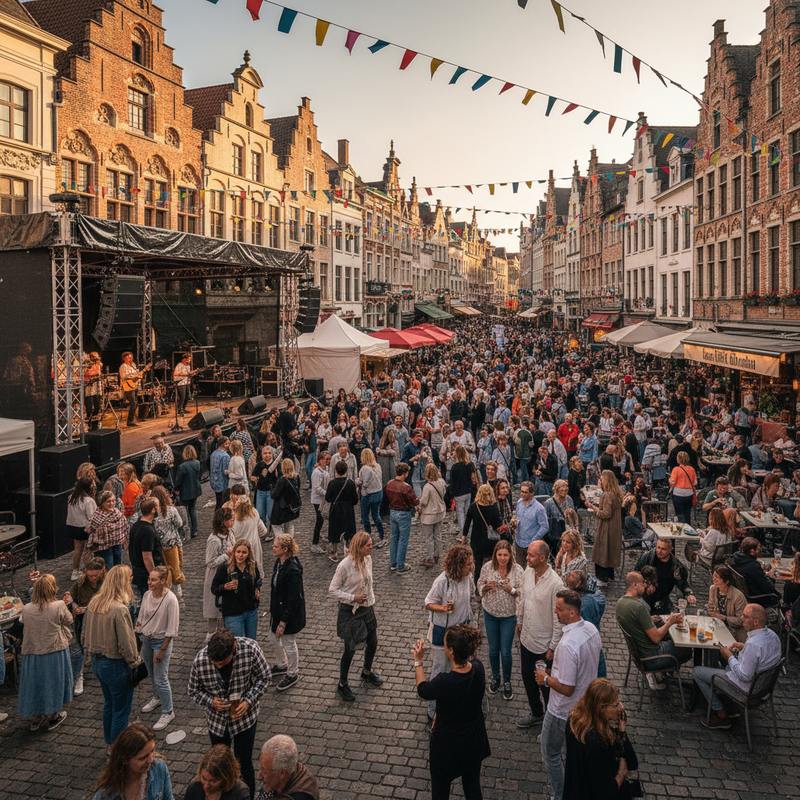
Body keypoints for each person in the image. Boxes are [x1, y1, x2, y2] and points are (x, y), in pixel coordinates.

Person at [188, 629, 271, 800]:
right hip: (217, 724)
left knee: (244, 764)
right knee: (219, 767)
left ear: (233, 648)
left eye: (223, 663)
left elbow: (265, 678)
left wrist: (248, 700)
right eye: (215, 663)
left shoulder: (251, 650)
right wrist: (211, 701)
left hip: (245, 721)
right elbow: (193, 690)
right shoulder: (200, 660)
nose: (219, 666)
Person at [537, 589, 602, 800]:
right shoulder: (591, 629)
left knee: (550, 753)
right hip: (584, 707)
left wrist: (545, 679)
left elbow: (566, 688)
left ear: (571, 613)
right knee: (574, 754)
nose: (555, 612)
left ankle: (561, 795)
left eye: (559, 609)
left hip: (562, 711)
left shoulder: (565, 645)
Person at [412, 625, 490, 800]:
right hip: (473, 740)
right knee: (472, 788)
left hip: (448, 746)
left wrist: (418, 661)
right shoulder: (478, 668)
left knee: (440, 792)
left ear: (451, 651)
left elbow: (423, 690)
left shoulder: (445, 682)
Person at [692, 603, 782, 730]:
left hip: (747, 692)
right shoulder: (773, 636)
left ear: (756, 621)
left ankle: (721, 715)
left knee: (696, 672)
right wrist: (743, 647)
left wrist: (729, 656)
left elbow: (744, 676)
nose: (742, 619)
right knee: (726, 662)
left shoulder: (753, 644)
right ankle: (730, 706)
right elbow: (762, 655)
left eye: (745, 617)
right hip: (763, 689)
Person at [83, 565, 142, 749]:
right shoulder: (119, 610)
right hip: (116, 665)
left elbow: (85, 633)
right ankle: (116, 750)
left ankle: (110, 744)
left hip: (98, 663)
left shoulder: (94, 602)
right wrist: (136, 663)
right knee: (121, 710)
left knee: (109, 704)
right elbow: (126, 644)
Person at [328, 530, 383, 702]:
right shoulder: (344, 565)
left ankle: (366, 672)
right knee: (350, 650)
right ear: (359, 547)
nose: (371, 547)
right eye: (368, 545)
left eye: (371, 544)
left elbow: (369, 584)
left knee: (373, 642)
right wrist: (353, 598)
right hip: (349, 612)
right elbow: (333, 590)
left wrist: (370, 602)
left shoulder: (368, 559)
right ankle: (342, 683)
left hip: (366, 608)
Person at [515, 540, 564, 729]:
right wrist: (519, 620)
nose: (527, 558)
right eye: (527, 554)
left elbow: (558, 619)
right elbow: (522, 598)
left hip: (544, 647)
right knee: (528, 680)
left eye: (531, 555)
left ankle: (551, 724)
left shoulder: (556, 584)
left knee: (546, 686)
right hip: (526, 639)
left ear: (542, 558)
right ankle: (536, 713)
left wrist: (552, 647)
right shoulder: (528, 573)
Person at [424, 544, 476, 720]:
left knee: (461, 667)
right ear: (458, 565)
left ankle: (458, 701)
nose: (472, 567)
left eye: (471, 563)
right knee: (440, 670)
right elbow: (428, 603)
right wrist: (442, 607)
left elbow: (472, 597)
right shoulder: (441, 581)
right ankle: (433, 710)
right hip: (442, 631)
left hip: (461, 630)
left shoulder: (468, 578)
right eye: (468, 564)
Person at [563, 678, 637, 800]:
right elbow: (607, 791)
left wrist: (621, 730)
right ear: (601, 708)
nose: (620, 708)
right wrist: (621, 773)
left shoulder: (573, 721)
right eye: (615, 704)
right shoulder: (596, 744)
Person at [615, 571, 691, 688]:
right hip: (652, 657)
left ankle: (663, 674)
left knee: (670, 639)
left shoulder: (620, 603)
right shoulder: (640, 608)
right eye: (642, 583)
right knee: (687, 650)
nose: (645, 585)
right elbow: (656, 638)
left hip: (640, 654)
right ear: (634, 585)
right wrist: (670, 622)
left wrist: (650, 620)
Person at [17, 574, 73, 732]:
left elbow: (22, 621)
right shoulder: (59, 605)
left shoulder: (27, 608)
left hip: (33, 652)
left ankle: (36, 716)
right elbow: (68, 620)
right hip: (54, 650)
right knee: (54, 682)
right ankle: (53, 715)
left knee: (36, 683)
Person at [477, 539, 524, 700]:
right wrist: (485, 587)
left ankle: (508, 681)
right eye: (499, 555)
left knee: (505, 651)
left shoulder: (517, 570)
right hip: (490, 613)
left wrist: (510, 589)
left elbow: (522, 593)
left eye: (505, 555)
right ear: (495, 555)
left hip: (509, 616)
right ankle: (496, 677)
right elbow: (479, 587)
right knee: (492, 649)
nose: (502, 558)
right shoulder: (487, 568)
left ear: (510, 555)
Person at [135, 566, 179, 731]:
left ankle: (168, 711)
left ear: (162, 580)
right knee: (150, 672)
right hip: (146, 639)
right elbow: (141, 617)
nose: (149, 582)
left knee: (161, 677)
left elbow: (172, 629)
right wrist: (139, 637)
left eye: (153, 579)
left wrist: (162, 650)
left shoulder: (170, 599)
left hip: (160, 641)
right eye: (149, 579)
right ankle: (156, 697)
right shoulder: (147, 595)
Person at [92, 722, 173, 800]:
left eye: (152, 751)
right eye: (143, 758)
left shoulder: (159, 768)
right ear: (125, 760)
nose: (150, 760)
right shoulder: (108, 791)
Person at [268, 534, 306, 692]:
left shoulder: (292, 570)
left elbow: (293, 599)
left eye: (276, 546)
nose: (273, 548)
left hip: (289, 614)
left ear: (285, 549)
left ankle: (292, 673)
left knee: (289, 643)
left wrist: (283, 622)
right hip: (278, 610)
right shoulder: (280, 562)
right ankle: (282, 664)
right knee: (273, 637)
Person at [212, 539, 262, 640]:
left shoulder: (252, 566)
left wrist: (257, 589)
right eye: (238, 552)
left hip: (251, 611)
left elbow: (257, 581)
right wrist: (225, 587)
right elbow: (214, 588)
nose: (240, 555)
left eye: (244, 552)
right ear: (234, 552)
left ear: (248, 554)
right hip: (233, 613)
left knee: (251, 642)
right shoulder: (225, 568)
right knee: (238, 644)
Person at [634, 538, 696, 614]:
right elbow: (635, 575)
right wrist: (645, 585)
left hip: (661, 600)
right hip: (643, 598)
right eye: (658, 547)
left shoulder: (675, 566)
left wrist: (689, 594)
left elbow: (682, 582)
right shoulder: (647, 557)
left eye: (663, 549)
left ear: (670, 549)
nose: (659, 551)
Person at [586, 470, 624, 587]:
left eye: (601, 479)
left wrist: (592, 507)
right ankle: (608, 575)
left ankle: (602, 578)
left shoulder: (607, 495)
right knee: (609, 550)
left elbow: (606, 513)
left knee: (603, 550)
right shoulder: (615, 494)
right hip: (614, 527)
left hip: (607, 528)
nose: (600, 481)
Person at [257, 735, 320, 800]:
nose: (259, 777)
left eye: (264, 771)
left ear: (282, 773)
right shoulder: (294, 769)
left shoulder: (300, 796)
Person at [150, 485, 186, 598]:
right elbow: (179, 523)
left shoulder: (153, 512)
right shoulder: (171, 510)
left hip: (158, 544)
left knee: (162, 567)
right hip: (172, 543)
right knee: (175, 567)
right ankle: (177, 589)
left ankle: (165, 588)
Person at [462, 484, 502, 585]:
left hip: (476, 539)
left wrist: (464, 536)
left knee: (478, 564)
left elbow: (467, 522)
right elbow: (498, 523)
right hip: (490, 540)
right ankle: (491, 582)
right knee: (491, 563)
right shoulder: (493, 507)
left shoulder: (473, 506)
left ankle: (477, 586)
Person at [385, 462, 420, 574]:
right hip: (403, 513)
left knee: (394, 537)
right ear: (405, 473)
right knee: (403, 540)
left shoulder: (389, 483)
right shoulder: (406, 487)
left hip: (393, 512)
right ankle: (400, 565)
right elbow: (414, 502)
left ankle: (393, 562)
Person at [185, 744, 250, 800]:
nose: (206, 786)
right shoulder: (194, 788)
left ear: (225, 777)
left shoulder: (239, 794)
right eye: (204, 778)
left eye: (213, 781)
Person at [324, 459, 359, 562]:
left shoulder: (332, 483)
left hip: (336, 510)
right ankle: (348, 552)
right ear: (346, 470)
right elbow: (355, 500)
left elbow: (327, 498)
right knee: (349, 531)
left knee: (334, 531)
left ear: (336, 471)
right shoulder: (350, 483)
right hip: (348, 509)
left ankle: (334, 553)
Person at [730, 537, 781, 608]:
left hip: (745, 591)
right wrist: (770, 575)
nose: (759, 551)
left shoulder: (737, 559)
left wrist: (761, 571)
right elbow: (768, 587)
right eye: (758, 549)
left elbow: (751, 573)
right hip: (757, 596)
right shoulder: (753, 566)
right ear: (752, 551)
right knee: (778, 595)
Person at [129, 498, 163, 600]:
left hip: (137, 569)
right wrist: (153, 576)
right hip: (144, 572)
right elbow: (147, 555)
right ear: (154, 509)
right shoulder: (147, 530)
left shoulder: (136, 525)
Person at [86, 490, 128, 570]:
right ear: (102, 502)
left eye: (113, 501)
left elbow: (123, 527)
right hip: (103, 547)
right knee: (108, 567)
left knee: (118, 567)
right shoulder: (97, 515)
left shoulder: (117, 513)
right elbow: (91, 529)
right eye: (108, 501)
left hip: (117, 543)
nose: (111, 503)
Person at [66, 476, 97, 581]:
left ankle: (75, 571)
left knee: (77, 549)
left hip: (72, 526)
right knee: (89, 551)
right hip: (84, 528)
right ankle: (88, 571)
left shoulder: (71, 497)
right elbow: (92, 517)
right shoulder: (89, 501)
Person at [511, 481, 548, 566]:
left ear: (532, 493)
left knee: (531, 569)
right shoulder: (519, 502)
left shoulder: (539, 508)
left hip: (531, 544)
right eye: (521, 492)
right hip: (518, 541)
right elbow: (518, 517)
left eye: (525, 492)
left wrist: (534, 539)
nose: (522, 494)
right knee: (520, 568)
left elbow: (545, 526)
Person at [708, 564, 748, 643]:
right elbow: (711, 607)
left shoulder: (738, 596)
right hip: (718, 627)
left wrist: (725, 618)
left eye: (717, 577)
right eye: (714, 576)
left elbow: (742, 620)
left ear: (726, 581)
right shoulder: (713, 589)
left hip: (735, 631)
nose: (714, 579)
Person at [419, 463, 447, 567]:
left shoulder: (427, 486)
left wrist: (419, 502)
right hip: (439, 512)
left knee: (429, 537)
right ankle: (437, 554)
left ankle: (430, 557)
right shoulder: (440, 483)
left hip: (429, 514)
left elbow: (424, 501)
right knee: (437, 535)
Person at [231, 494, 267, 571]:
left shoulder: (233, 518)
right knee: (254, 569)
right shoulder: (254, 513)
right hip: (253, 546)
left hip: (238, 549)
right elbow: (263, 531)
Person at [175, 444, 203, 539]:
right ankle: (194, 530)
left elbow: (178, 481)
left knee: (185, 511)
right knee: (193, 508)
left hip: (185, 490)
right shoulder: (197, 463)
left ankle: (185, 531)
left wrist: (176, 489)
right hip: (195, 489)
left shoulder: (182, 466)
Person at [357, 448, 384, 543]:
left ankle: (368, 535)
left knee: (365, 516)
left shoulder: (365, 468)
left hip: (369, 494)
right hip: (378, 492)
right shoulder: (377, 466)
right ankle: (381, 535)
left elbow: (364, 482)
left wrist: (356, 482)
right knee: (376, 515)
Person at [270, 458, 302, 537]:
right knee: (289, 526)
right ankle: (289, 543)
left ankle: (282, 543)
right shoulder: (296, 478)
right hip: (291, 506)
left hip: (281, 508)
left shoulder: (282, 480)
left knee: (276, 526)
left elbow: (274, 495)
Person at [449, 445, 477, 534]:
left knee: (460, 515)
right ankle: (468, 532)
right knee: (466, 513)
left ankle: (463, 534)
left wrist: (451, 494)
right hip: (468, 492)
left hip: (459, 494)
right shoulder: (469, 465)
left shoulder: (455, 467)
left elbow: (452, 482)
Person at [544, 479, 575, 555]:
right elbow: (545, 521)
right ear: (556, 490)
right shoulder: (549, 503)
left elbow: (573, 516)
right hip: (554, 536)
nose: (564, 489)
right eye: (562, 487)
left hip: (567, 533)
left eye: (566, 487)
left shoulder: (569, 499)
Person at [309, 451, 331, 554]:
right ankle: (315, 544)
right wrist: (327, 494)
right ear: (320, 460)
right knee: (319, 520)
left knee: (321, 520)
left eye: (328, 459)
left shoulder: (326, 469)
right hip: (318, 499)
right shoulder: (316, 472)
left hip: (323, 499)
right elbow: (316, 487)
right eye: (325, 459)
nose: (327, 461)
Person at [669, 450, 697, 524]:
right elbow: (694, 482)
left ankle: (681, 527)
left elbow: (673, 482)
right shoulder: (692, 469)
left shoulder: (676, 469)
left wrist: (669, 479)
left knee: (679, 513)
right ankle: (688, 526)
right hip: (689, 493)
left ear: (678, 459)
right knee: (687, 513)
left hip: (678, 493)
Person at [119, 351, 145, 428]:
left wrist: (140, 375)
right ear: (124, 358)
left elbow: (137, 374)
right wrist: (134, 376)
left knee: (135, 403)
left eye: (131, 357)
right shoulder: (123, 367)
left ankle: (132, 419)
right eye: (128, 358)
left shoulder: (133, 365)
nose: (130, 359)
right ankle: (129, 421)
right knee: (133, 403)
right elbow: (124, 377)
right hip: (128, 387)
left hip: (134, 386)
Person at [210, 438, 231, 510]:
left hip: (215, 482)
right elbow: (226, 471)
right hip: (223, 483)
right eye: (228, 444)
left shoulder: (213, 454)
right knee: (223, 503)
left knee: (218, 502)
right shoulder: (225, 456)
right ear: (224, 444)